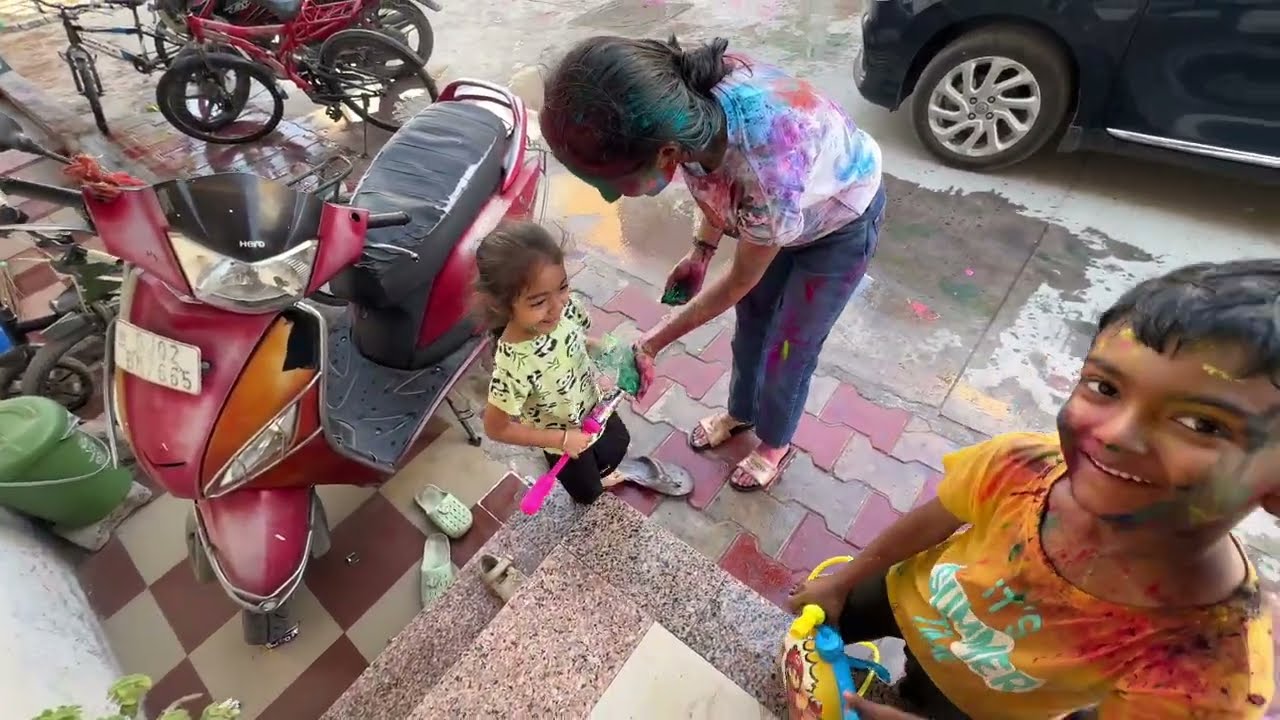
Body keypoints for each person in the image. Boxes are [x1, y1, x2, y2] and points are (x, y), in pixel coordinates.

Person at [788, 260, 1279, 719]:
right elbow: (935, 517)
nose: (1115, 435)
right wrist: (842, 581)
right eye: (1105, 387)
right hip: (905, 596)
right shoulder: (1022, 465)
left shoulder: (1210, 668)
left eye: (1201, 423)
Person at [540, 35, 884, 491]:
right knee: (753, 325)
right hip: (778, 217)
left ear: (664, 154)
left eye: (614, 184)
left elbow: (740, 276)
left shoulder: (767, 168)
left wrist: (651, 343)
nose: (609, 196)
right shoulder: (677, 110)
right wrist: (700, 252)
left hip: (836, 227)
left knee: (788, 349)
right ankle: (741, 413)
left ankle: (775, 444)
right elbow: (716, 188)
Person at [477, 221, 689, 504]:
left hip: (594, 409)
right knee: (587, 491)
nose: (557, 306)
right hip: (560, 440)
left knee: (617, 444)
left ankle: (606, 471)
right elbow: (496, 427)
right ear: (502, 305)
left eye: (562, 287)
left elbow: (575, 337)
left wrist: (604, 350)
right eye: (539, 302)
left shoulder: (563, 311)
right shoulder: (513, 364)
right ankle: (594, 484)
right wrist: (561, 440)